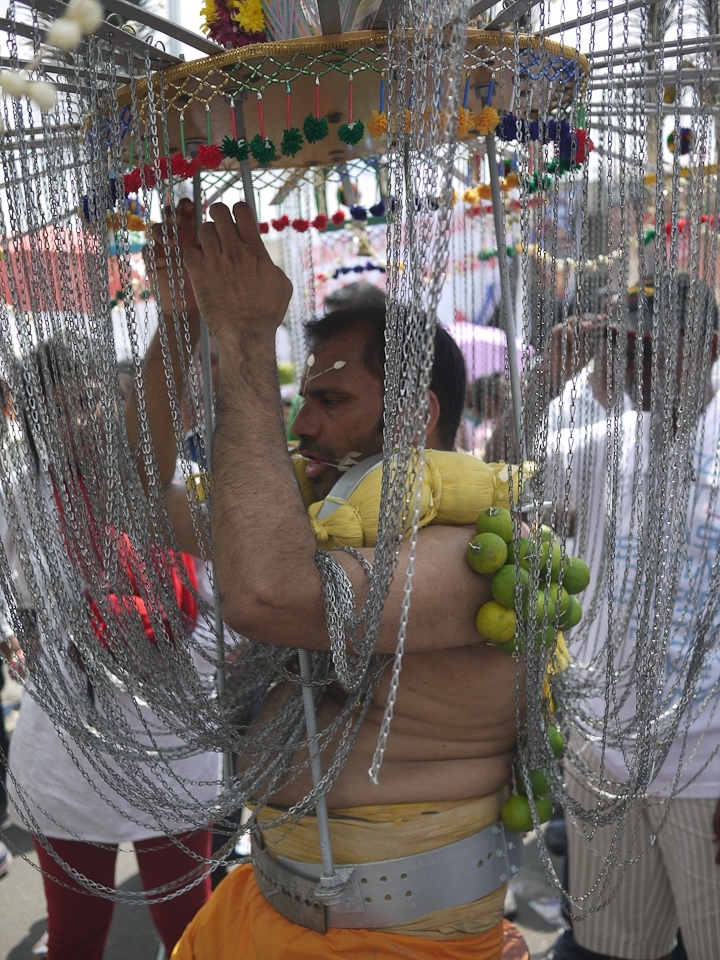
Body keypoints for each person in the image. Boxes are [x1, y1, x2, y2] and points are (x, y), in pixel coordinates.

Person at [168, 201, 526, 960]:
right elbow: (124, 494)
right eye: (303, 403)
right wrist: (180, 320)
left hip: (395, 939)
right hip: (262, 908)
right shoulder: (312, 516)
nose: (302, 427)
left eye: (329, 402)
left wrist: (243, 336)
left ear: (412, 415)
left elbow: (271, 596)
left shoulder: (477, 551)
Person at [4, 203, 220, 960]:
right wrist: (24, 637)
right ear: (34, 428)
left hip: (174, 745)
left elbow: (232, 601)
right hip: (70, 756)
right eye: (59, 413)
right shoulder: (26, 504)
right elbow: (23, 598)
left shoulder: (184, 487)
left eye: (94, 400)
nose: (85, 422)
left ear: (123, 403)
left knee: (189, 927)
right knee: (75, 940)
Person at [545, 275, 720, 960]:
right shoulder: (609, 443)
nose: (633, 369)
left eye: (652, 350)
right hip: (605, 760)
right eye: (622, 349)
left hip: (706, 777)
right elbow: (500, 473)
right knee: (613, 951)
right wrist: (547, 379)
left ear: (708, 350)